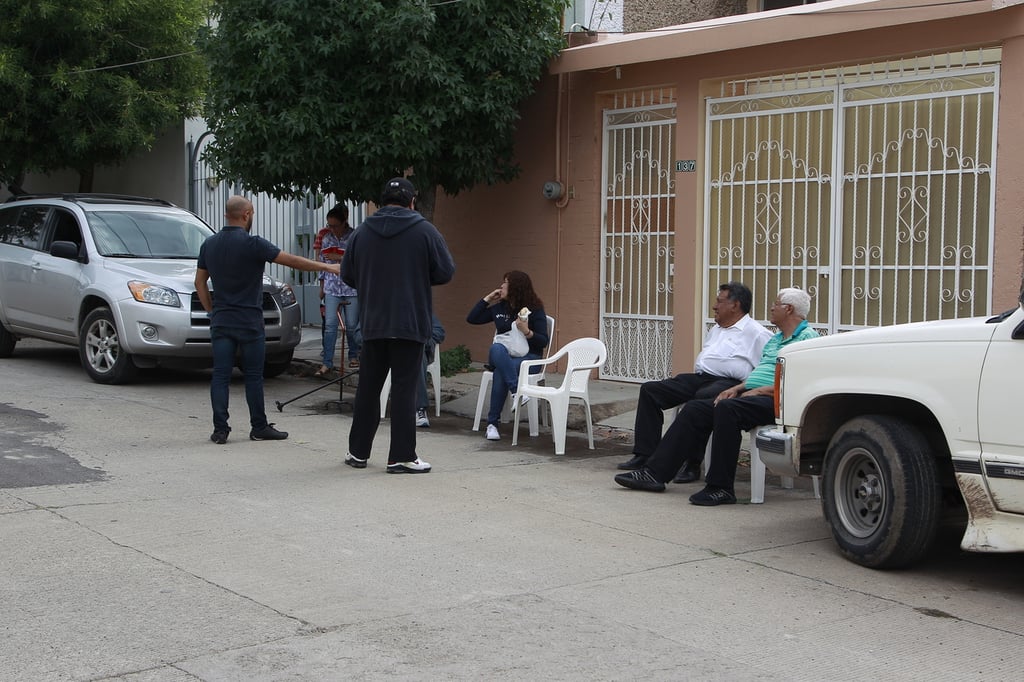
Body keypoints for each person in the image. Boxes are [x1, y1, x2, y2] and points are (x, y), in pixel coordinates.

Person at [614, 287, 819, 505]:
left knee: (726, 409)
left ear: (788, 309)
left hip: (779, 401)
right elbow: (761, 373)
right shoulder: (776, 339)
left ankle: (720, 488)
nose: (771, 307)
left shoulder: (807, 340)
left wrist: (756, 390)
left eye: (776, 304)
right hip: (752, 394)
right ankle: (654, 474)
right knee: (696, 409)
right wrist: (739, 388)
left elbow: (798, 384)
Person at [195, 195, 340, 445]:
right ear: (247, 214)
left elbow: (199, 282)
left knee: (220, 375)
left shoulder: (209, 245)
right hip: (250, 322)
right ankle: (259, 427)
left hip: (222, 321)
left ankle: (220, 430)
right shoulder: (254, 244)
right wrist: (327, 267)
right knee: (253, 375)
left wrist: (211, 310)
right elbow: (292, 260)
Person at [341, 177, 455, 473]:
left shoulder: (362, 232)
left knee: (368, 389)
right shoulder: (424, 230)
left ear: (381, 201)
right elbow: (445, 271)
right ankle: (401, 456)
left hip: (373, 322)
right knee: (404, 390)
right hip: (409, 321)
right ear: (412, 201)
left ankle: (357, 453)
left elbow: (347, 275)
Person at [617, 282, 771, 483]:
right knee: (651, 390)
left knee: (700, 401)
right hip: (700, 377)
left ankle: (692, 464)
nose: (715, 306)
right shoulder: (716, 329)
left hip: (729, 382)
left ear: (735, 305)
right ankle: (645, 454)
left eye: (719, 301)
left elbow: (764, 368)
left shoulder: (757, 333)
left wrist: (747, 389)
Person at [466, 271, 549, 441]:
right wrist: (487, 299)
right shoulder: (499, 308)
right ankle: (515, 391)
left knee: (500, 372)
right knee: (497, 348)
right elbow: (472, 319)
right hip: (504, 356)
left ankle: (492, 424)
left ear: (516, 288)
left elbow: (543, 342)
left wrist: (526, 331)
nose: (501, 286)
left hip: (530, 357)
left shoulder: (533, 309)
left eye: (505, 283)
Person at [315, 204, 361, 377]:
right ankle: (327, 362)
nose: (332, 229)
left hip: (351, 287)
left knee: (350, 325)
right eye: (329, 225)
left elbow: (360, 260)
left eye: (334, 225)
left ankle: (353, 355)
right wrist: (321, 287)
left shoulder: (354, 236)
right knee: (330, 325)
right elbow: (322, 264)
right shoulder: (327, 238)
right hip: (331, 287)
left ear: (344, 223)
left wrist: (340, 257)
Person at [417, 314, 446, 428]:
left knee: (417, 355)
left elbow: (439, 332)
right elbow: (359, 334)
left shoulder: (420, 310)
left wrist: (422, 339)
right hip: (387, 353)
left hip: (414, 351)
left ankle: (419, 408)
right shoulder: (382, 308)